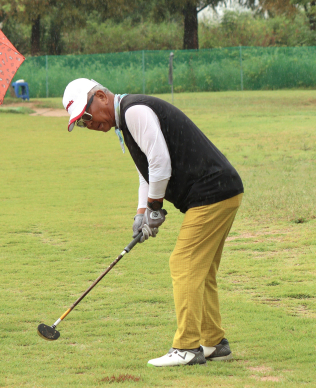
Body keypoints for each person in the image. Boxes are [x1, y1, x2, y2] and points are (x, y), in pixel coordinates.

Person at [62, 79, 244, 367]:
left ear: (100, 96)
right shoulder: (125, 120)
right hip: (221, 191)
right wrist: (140, 212)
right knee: (202, 269)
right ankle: (214, 342)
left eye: (86, 115)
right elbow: (146, 172)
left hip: (213, 193)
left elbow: (160, 162)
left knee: (183, 263)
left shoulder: (134, 112)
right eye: (82, 123)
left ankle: (187, 348)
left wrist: (155, 209)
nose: (89, 124)